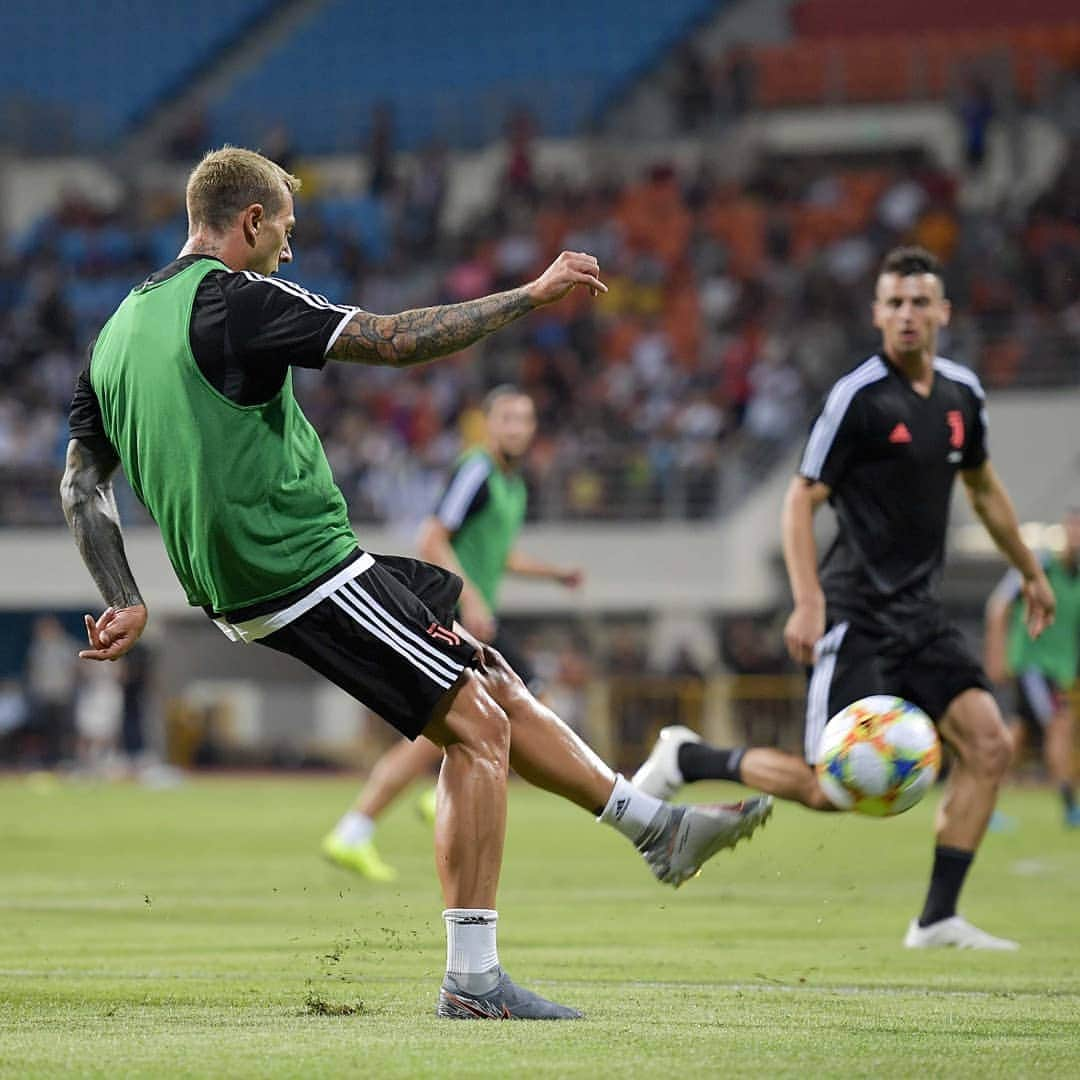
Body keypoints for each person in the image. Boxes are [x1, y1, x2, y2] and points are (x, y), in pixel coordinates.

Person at [60, 146, 772, 1020]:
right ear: (250, 222)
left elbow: (79, 483)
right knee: (474, 729)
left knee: (489, 678)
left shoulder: (118, 331)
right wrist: (528, 296)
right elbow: (391, 341)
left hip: (250, 580)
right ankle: (474, 980)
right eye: (286, 226)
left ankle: (654, 828)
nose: (291, 245)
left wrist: (124, 593)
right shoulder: (239, 299)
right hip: (296, 565)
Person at [633, 246, 1054, 951]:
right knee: (833, 792)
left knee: (990, 744)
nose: (907, 314)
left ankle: (937, 918)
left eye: (921, 302)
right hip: (854, 615)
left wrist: (1031, 570)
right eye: (894, 303)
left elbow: (983, 489)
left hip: (922, 615)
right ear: (877, 314)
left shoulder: (961, 396)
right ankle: (688, 759)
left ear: (943, 312)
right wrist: (807, 600)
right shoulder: (858, 396)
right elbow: (800, 499)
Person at [322, 386, 583, 882]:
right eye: (507, 418)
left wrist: (554, 575)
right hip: (453, 615)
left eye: (525, 419)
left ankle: (423, 799)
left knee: (504, 710)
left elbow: (499, 554)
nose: (517, 428)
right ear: (487, 425)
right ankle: (361, 826)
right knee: (469, 720)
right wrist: (476, 602)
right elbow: (432, 536)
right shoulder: (478, 470)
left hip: (475, 617)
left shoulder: (514, 485)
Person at [984, 509, 1080, 827]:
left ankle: (982, 799)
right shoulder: (1041, 565)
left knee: (1018, 734)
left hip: (1060, 670)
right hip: (1033, 665)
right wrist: (996, 656)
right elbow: (998, 606)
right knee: (1059, 724)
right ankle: (1069, 806)